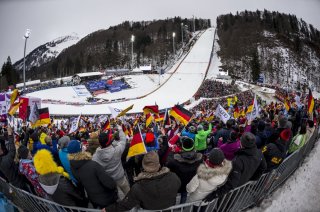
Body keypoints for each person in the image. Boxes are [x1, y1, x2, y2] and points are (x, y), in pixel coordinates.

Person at [104, 151, 181, 211]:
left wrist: (108, 209)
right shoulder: (173, 177)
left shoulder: (138, 187)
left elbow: (125, 205)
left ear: (143, 166)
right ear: (159, 164)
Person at [204, 132, 267, 202]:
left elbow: (231, 184)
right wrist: (252, 178)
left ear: (242, 143)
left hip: (234, 188)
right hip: (243, 184)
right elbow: (263, 167)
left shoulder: (238, 161)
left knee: (224, 204)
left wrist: (215, 194)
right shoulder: (259, 152)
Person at [68, 140, 117, 208]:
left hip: (93, 198)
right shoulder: (93, 165)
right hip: (107, 199)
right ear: (80, 150)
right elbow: (110, 184)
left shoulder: (72, 166)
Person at [92, 125, 130, 196]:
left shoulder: (95, 157)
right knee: (128, 193)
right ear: (109, 141)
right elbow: (123, 140)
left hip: (109, 180)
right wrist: (120, 130)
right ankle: (132, 205)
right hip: (120, 178)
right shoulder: (117, 150)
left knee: (117, 195)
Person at [166, 136, 202, 203]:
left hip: (177, 183)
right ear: (193, 146)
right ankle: (181, 208)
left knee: (175, 195)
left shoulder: (174, 161)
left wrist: (171, 153)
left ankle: (174, 207)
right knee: (184, 195)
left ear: (182, 147)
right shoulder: (199, 159)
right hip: (189, 182)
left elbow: (168, 164)